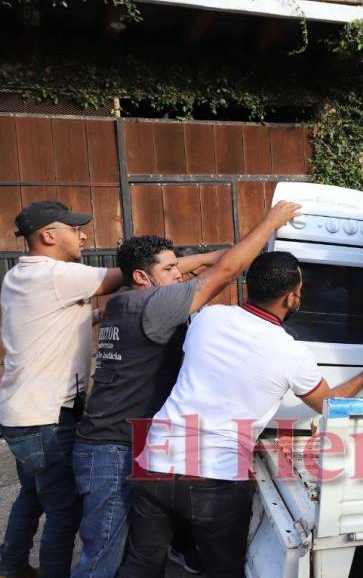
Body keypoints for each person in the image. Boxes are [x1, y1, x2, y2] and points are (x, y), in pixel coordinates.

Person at [118, 251, 363, 578]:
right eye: (300, 290)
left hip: (156, 462)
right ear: (291, 297)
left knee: (140, 567)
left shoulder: (208, 317)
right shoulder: (292, 353)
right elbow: (329, 405)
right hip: (215, 478)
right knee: (223, 569)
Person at [71, 200, 300, 578]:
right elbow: (226, 272)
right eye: (170, 268)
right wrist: (271, 222)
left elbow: (203, 265)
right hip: (114, 449)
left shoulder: (123, 301)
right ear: (143, 278)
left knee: (134, 559)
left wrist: (204, 256)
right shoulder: (152, 304)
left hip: (111, 442)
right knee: (101, 563)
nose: (181, 274)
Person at [0, 201, 125, 578]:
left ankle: (11, 565)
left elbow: (51, 319)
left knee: (34, 495)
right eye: (74, 228)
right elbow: (139, 272)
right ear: (48, 236)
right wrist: (211, 261)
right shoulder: (56, 275)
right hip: (46, 418)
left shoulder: (18, 276)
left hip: (20, 412)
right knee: (64, 508)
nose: (83, 234)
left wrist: (98, 315)